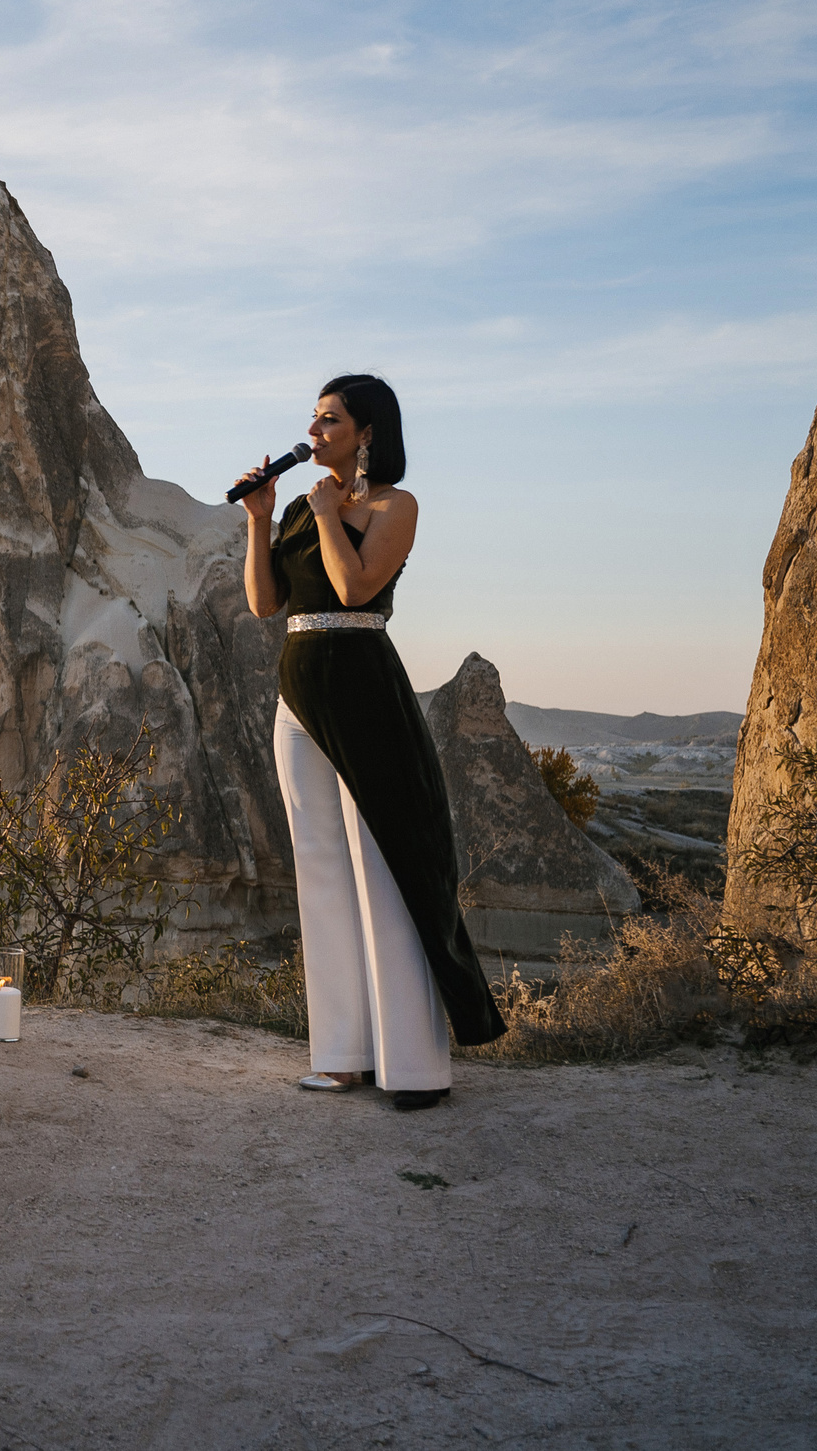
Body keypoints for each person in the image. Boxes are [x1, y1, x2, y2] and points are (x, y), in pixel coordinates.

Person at [237, 375, 505, 1112]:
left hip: (363, 692)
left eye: (330, 420)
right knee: (320, 871)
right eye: (313, 419)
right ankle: (341, 1056)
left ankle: (414, 1066)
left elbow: (354, 589)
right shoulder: (296, 506)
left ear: (367, 432)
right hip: (299, 696)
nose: (315, 432)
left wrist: (329, 513)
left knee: (379, 868)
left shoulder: (395, 506)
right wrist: (261, 519)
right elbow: (265, 603)